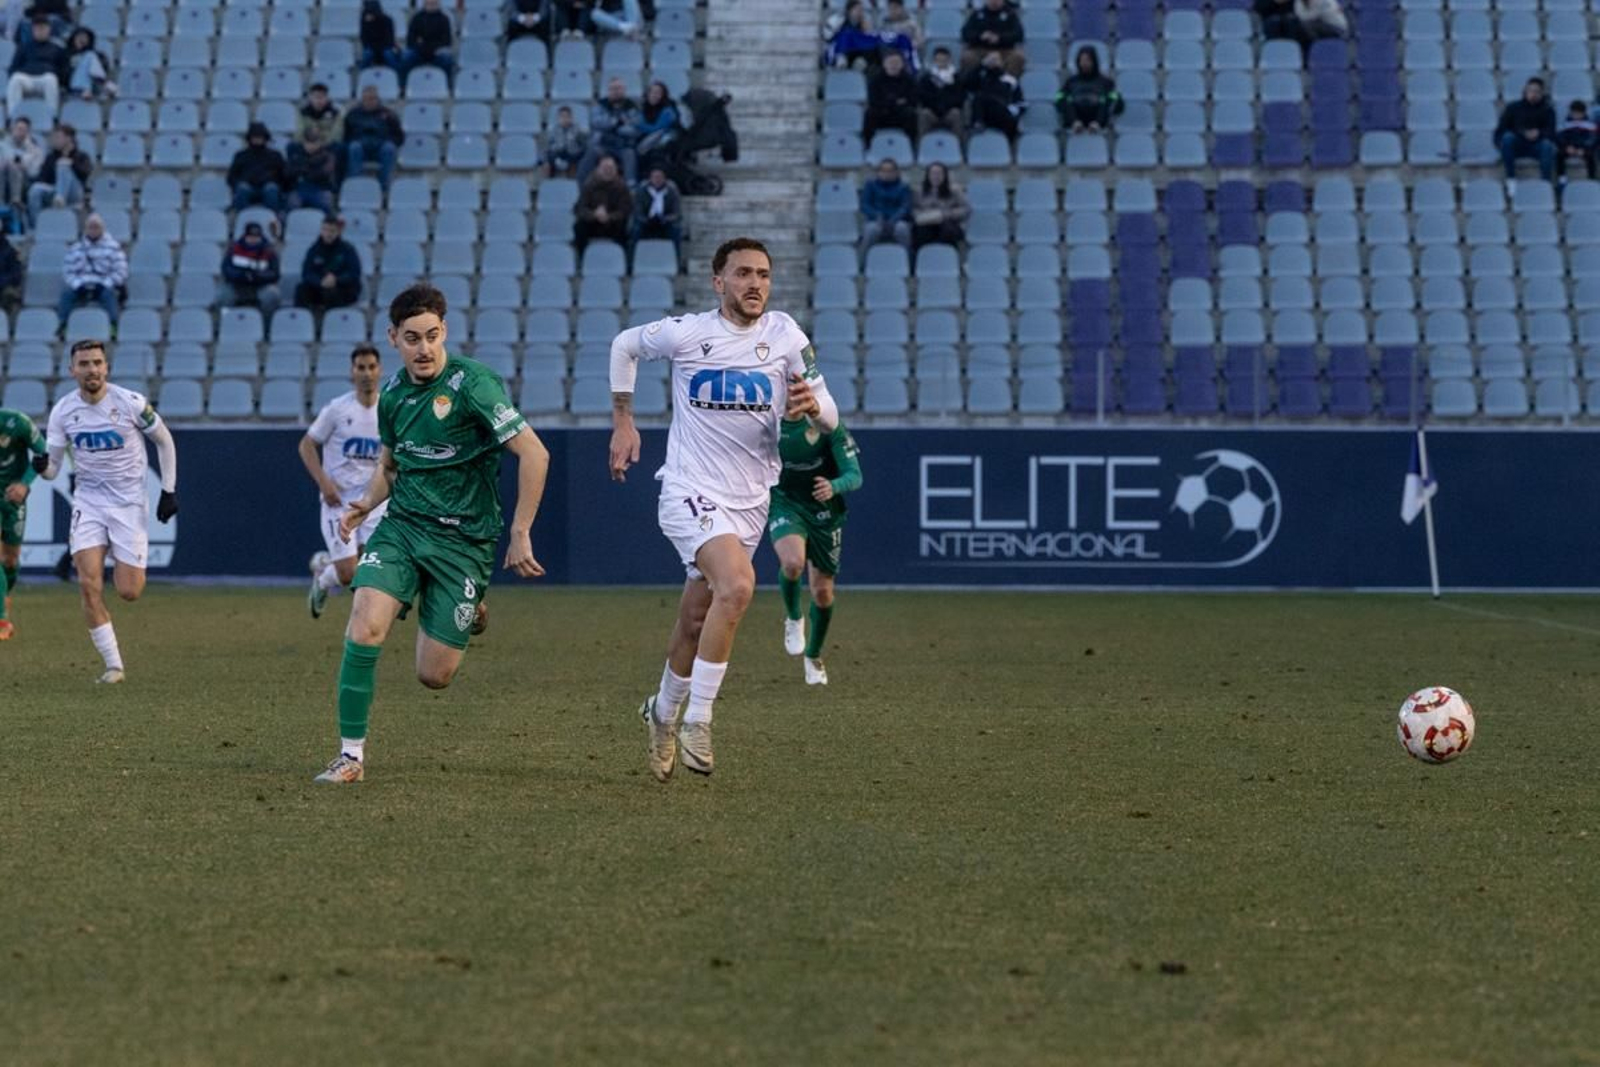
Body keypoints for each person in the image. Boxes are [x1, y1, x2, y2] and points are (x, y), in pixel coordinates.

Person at [608, 237, 840, 780]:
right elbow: (624, 344)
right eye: (742, 274)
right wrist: (623, 418)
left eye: (762, 274)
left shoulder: (786, 336)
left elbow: (828, 411)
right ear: (719, 283)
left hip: (751, 501)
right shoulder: (691, 334)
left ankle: (663, 714)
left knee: (696, 618)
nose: (755, 283)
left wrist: (814, 408)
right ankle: (700, 721)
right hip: (690, 488)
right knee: (737, 586)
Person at [311, 284, 551, 784]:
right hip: (404, 527)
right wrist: (366, 504)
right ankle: (350, 755)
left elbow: (535, 453)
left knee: (434, 675)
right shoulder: (394, 395)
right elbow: (391, 465)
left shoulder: (475, 386)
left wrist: (521, 531)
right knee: (364, 624)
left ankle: (467, 608)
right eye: (413, 338)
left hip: (463, 543)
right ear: (393, 338)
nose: (424, 349)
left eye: (433, 336)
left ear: (445, 332)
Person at [36, 339, 179, 684]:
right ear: (73, 370)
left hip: (129, 504)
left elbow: (164, 440)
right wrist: (43, 467)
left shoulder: (130, 403)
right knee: (88, 584)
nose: (92, 370)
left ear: (107, 367)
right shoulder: (63, 412)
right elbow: (54, 468)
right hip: (88, 503)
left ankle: (119, 557)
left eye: (97, 363)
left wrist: (168, 491)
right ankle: (114, 666)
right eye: (84, 364)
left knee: (130, 591)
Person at [769, 417, 862, 686]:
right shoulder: (769, 424)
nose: (793, 398)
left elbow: (855, 475)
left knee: (822, 592)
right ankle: (794, 617)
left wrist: (835, 486)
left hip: (824, 511)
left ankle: (813, 655)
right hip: (785, 502)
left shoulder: (829, 426)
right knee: (793, 562)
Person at [300, 343, 387, 619]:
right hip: (339, 500)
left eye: (371, 367)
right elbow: (306, 446)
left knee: (370, 567)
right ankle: (325, 578)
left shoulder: (389, 410)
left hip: (373, 501)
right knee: (349, 574)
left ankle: (327, 567)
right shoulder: (337, 409)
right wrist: (324, 483)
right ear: (352, 372)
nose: (366, 373)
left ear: (379, 370)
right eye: (360, 368)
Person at [0, 404, 47, 640]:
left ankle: (4, 595)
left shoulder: (18, 422)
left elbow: (42, 453)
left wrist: (25, 484)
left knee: (10, 560)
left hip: (13, 497)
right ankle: (2, 620)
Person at [57, 212, 126, 327]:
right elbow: (67, 271)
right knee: (66, 295)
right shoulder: (76, 248)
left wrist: (106, 284)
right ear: (85, 229)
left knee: (109, 296)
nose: (93, 230)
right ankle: (62, 326)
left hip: (103, 284)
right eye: (91, 227)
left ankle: (113, 326)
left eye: (96, 227)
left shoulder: (114, 248)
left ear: (102, 229)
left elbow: (121, 271)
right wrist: (77, 284)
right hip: (81, 284)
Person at [577, 76, 642, 184]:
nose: (616, 91)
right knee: (592, 151)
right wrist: (618, 123)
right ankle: (581, 185)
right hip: (603, 143)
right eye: (613, 89)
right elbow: (596, 122)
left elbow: (635, 129)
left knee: (630, 154)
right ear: (608, 91)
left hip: (623, 145)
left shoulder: (632, 107)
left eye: (619, 88)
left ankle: (631, 186)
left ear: (624, 90)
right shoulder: (600, 105)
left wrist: (614, 128)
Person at [340, 85, 404, 190]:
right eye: (366, 99)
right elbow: (346, 135)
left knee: (389, 149)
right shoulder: (353, 114)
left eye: (372, 99)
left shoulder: (389, 114)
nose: (369, 102)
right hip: (360, 147)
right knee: (353, 147)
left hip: (381, 148)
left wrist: (389, 142)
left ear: (378, 99)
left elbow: (399, 136)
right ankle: (354, 184)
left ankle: (383, 186)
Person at [1496, 77, 1558, 185]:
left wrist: (1539, 133)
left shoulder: (1548, 110)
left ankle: (1546, 184)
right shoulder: (1513, 108)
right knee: (1507, 138)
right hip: (1517, 145)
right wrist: (1523, 133)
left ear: (1542, 93)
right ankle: (1511, 180)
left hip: (1537, 146)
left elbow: (1551, 132)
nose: (1533, 94)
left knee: (1547, 145)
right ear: (1525, 91)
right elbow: (1501, 130)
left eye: (1537, 91)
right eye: (1530, 90)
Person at [295, 216, 362, 312]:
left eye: (332, 230)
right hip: (319, 286)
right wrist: (320, 281)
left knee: (332, 292)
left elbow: (354, 273)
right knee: (301, 289)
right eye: (325, 230)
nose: (328, 234)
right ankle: (302, 321)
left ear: (338, 231)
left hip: (342, 288)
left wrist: (336, 279)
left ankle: (333, 323)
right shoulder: (314, 250)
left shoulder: (347, 249)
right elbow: (306, 273)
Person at [26, 121, 90, 221]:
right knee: (35, 189)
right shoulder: (51, 157)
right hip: (53, 190)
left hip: (75, 192)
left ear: (68, 139)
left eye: (58, 137)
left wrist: (71, 163)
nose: (55, 140)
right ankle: (37, 224)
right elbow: (42, 178)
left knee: (63, 164)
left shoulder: (81, 156)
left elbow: (84, 175)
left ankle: (60, 198)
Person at [6, 16, 66, 119]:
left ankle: (51, 117)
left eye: (43, 28)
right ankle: (14, 117)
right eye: (37, 29)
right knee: (16, 79)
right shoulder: (24, 47)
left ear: (49, 29)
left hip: (45, 80)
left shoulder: (57, 49)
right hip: (27, 80)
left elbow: (64, 68)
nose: (40, 31)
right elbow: (14, 67)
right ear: (33, 30)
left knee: (51, 79)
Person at [574, 152, 632, 256]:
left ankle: (623, 261)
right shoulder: (589, 186)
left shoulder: (622, 187)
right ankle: (582, 259)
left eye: (611, 168)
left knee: (624, 228)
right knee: (579, 227)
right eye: (605, 168)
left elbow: (625, 210)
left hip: (613, 223)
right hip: (593, 222)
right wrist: (594, 215)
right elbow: (580, 209)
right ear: (598, 169)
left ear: (616, 170)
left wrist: (609, 217)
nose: (608, 171)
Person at [220, 221, 282, 317]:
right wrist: (241, 275)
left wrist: (258, 276)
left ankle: (266, 324)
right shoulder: (234, 248)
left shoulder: (269, 251)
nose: (253, 239)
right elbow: (226, 269)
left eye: (256, 237)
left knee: (271, 296)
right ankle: (225, 321)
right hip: (237, 283)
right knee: (223, 295)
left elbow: (275, 273)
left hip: (261, 284)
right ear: (245, 236)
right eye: (250, 237)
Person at [1056, 46, 1123, 133]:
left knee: (1104, 98)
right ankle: (1075, 124)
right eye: (1082, 60)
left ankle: (1096, 125)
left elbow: (1117, 101)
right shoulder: (1071, 81)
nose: (1084, 63)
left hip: (1098, 119)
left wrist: (1114, 100)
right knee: (1068, 98)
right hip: (1075, 118)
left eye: (1087, 60)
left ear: (1094, 61)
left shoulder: (1106, 82)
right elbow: (1059, 98)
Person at [227, 122, 287, 214]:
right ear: (249, 138)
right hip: (247, 187)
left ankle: (273, 219)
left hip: (268, 187)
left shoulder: (275, 155)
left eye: (260, 137)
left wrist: (275, 183)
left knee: (272, 189)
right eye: (254, 137)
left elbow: (283, 175)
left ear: (265, 138)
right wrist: (240, 183)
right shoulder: (240, 156)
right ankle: (242, 218)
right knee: (242, 190)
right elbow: (231, 177)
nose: (257, 140)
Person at [630, 165, 682, 269]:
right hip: (646, 222)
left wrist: (666, 219)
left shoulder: (672, 192)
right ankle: (631, 263)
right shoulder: (642, 191)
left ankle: (677, 263)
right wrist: (646, 220)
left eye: (660, 177)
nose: (657, 180)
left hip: (665, 222)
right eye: (655, 177)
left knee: (675, 231)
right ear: (650, 178)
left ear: (664, 179)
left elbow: (677, 213)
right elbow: (637, 212)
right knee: (636, 230)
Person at [965, 49, 1023, 141]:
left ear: (1002, 62)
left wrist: (1011, 111)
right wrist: (981, 65)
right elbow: (967, 83)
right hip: (984, 113)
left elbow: (1019, 102)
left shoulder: (1010, 80)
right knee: (979, 97)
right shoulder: (980, 78)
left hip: (1003, 114)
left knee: (984, 97)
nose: (993, 61)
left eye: (996, 59)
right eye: (990, 59)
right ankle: (978, 124)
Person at [864, 49, 918, 144]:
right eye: (891, 62)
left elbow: (912, 99)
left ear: (902, 64)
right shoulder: (876, 80)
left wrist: (891, 102)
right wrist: (895, 102)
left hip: (901, 114)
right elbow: (874, 100)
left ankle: (911, 146)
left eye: (897, 62)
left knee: (911, 114)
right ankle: (868, 146)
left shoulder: (909, 80)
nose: (894, 65)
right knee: (869, 114)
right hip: (881, 112)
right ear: (884, 64)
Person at [859, 156, 912, 254]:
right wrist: (877, 216)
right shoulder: (870, 185)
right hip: (876, 220)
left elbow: (905, 207)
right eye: (883, 170)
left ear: (896, 172)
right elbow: (865, 205)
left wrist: (893, 220)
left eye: (890, 171)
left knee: (902, 229)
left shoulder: (903, 187)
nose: (887, 174)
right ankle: (862, 263)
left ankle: (908, 261)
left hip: (897, 220)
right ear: (878, 172)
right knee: (871, 230)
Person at [911, 161, 968, 250]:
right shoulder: (919, 191)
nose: (936, 176)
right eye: (933, 173)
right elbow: (914, 208)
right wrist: (922, 215)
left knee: (948, 230)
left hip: (947, 223)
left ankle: (948, 257)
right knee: (920, 232)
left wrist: (946, 214)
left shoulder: (955, 190)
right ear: (928, 175)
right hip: (926, 222)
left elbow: (965, 209)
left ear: (945, 175)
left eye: (939, 173)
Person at [961, 0, 1024, 76]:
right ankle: (971, 84)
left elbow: (1018, 35)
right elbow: (965, 34)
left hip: (1005, 50)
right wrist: (980, 36)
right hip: (979, 49)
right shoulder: (976, 14)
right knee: (968, 57)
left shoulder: (1011, 15)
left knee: (1017, 57)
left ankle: (1009, 83)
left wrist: (1000, 38)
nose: (994, 1)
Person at [286, 124, 339, 215]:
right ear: (303, 141)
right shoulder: (296, 153)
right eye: (308, 142)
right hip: (300, 189)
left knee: (327, 203)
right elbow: (288, 172)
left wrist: (303, 170)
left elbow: (324, 173)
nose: (311, 146)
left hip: (321, 189)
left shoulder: (328, 155)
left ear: (320, 141)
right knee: (292, 204)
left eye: (314, 142)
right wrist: (307, 169)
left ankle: (327, 227)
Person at [401, 0, 455, 87]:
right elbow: (410, 40)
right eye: (429, 3)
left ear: (438, 4)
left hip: (437, 52)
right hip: (419, 51)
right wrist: (422, 46)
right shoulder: (416, 18)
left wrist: (425, 44)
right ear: (424, 4)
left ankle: (447, 86)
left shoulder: (444, 19)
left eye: (434, 3)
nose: (431, 5)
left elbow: (446, 41)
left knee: (447, 59)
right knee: (406, 57)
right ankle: (403, 86)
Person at [917, 46, 965, 140]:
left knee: (956, 114)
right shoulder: (927, 78)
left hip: (949, 112)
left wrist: (947, 104)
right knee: (924, 114)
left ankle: (959, 147)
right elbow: (922, 96)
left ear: (949, 60)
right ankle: (922, 145)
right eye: (939, 60)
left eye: (944, 59)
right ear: (934, 61)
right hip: (932, 112)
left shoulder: (957, 78)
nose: (941, 62)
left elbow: (960, 96)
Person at [1, 115, 43, 221]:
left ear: (28, 132)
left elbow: (35, 173)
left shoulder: (35, 150)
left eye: (24, 130)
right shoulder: (2, 146)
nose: (21, 133)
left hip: (25, 184)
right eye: (19, 129)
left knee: (14, 167)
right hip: (3, 178)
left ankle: (16, 200)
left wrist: (24, 168)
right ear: (12, 129)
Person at [634, 80, 679, 172]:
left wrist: (638, 125)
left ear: (663, 95)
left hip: (662, 143)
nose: (654, 95)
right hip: (645, 140)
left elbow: (657, 129)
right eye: (652, 92)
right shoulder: (643, 107)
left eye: (658, 93)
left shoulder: (668, 110)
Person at [65, 26, 114, 100]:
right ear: (73, 39)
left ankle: (90, 88)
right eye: (79, 37)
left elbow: (104, 68)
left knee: (89, 55)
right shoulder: (66, 55)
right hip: (72, 86)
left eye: (84, 37)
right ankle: (106, 85)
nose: (81, 40)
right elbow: (63, 72)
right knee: (89, 56)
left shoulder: (98, 55)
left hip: (93, 85)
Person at [542, 103, 588, 178]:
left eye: (567, 116)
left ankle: (572, 180)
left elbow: (583, 145)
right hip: (558, 152)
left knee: (577, 158)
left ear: (571, 118)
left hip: (572, 153)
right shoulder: (554, 130)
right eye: (562, 117)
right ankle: (549, 180)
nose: (565, 119)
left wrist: (574, 147)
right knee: (548, 158)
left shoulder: (577, 130)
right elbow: (549, 145)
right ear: (558, 118)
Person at [1558, 100, 1597, 180]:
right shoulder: (1566, 124)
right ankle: (1562, 179)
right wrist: (1567, 147)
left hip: (1583, 148)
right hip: (1569, 148)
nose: (1576, 116)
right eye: (1574, 113)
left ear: (1584, 113)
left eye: (1579, 113)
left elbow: (1592, 139)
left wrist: (1584, 149)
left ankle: (1591, 178)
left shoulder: (1590, 125)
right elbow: (1561, 138)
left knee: (1591, 157)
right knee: (1559, 155)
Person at [359, 0, 402, 71]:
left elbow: (389, 40)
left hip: (385, 47)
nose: (367, 16)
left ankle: (396, 75)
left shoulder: (387, 20)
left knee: (388, 55)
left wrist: (378, 49)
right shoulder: (365, 21)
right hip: (371, 47)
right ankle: (362, 76)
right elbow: (364, 39)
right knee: (367, 54)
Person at [0, 230, 20, 317]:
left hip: (3, 286)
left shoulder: (9, 251)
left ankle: (7, 325)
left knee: (9, 293)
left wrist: (2, 281)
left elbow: (16, 275)